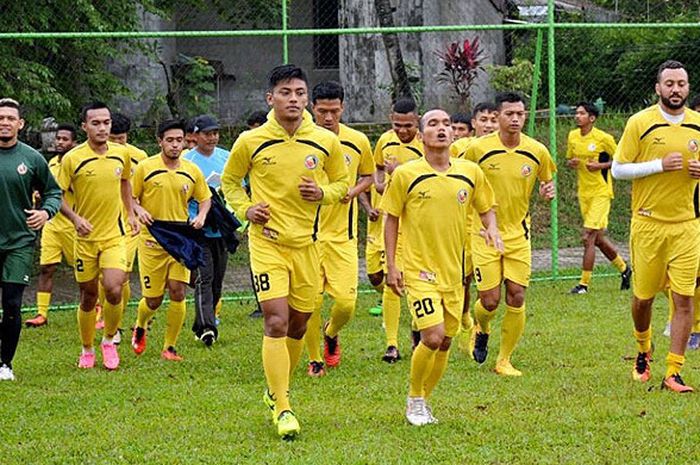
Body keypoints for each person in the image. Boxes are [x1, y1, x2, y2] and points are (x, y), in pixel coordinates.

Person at [222, 64, 348, 439]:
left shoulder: (325, 141)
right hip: (267, 245)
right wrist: (246, 210)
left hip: (309, 246)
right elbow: (230, 183)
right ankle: (283, 405)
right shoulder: (251, 141)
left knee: (299, 323)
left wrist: (323, 193)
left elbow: (342, 182)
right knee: (275, 320)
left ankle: (276, 387)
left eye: (298, 92)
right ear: (270, 98)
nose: (293, 99)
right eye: (285, 92)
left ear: (306, 98)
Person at [383, 108, 500, 425]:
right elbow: (391, 219)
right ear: (422, 135)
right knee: (431, 336)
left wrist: (491, 227)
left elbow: (486, 206)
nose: (442, 129)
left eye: (447, 124)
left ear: (454, 133)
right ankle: (415, 400)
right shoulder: (406, 174)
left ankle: (424, 400)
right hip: (419, 272)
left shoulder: (470, 172)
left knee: (446, 340)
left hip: (454, 274)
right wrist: (391, 265)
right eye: (433, 124)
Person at [611, 60, 700, 393]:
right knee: (643, 299)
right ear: (658, 88)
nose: (676, 89)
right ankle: (643, 349)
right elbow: (619, 170)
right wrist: (658, 165)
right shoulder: (640, 122)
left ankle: (674, 371)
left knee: (685, 299)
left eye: (681, 83)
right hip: (648, 224)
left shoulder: (697, 124)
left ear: (688, 87)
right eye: (669, 84)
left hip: (687, 226)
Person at [464, 92, 556, 376]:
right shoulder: (477, 149)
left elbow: (547, 181)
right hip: (484, 233)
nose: (515, 119)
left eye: (520, 114)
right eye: (509, 114)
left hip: (518, 233)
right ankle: (482, 327)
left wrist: (546, 191)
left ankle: (504, 360)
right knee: (489, 301)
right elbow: (462, 180)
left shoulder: (537, 150)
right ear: (498, 116)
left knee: (516, 295)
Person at [56, 101, 138, 370]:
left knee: (114, 288)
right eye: (96, 123)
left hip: (114, 236)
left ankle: (109, 340)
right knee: (89, 296)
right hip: (85, 240)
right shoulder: (72, 159)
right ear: (84, 126)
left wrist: (131, 212)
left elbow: (125, 182)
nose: (102, 128)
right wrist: (76, 218)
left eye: (106, 123)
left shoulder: (120, 154)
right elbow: (56, 196)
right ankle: (87, 348)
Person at [304, 81, 374, 377]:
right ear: (313, 109)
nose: (329, 117)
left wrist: (353, 191)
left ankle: (331, 333)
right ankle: (314, 359)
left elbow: (369, 176)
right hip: (308, 236)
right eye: (322, 111)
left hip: (343, 238)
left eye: (334, 111)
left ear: (343, 107)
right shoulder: (303, 141)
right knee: (311, 302)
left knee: (346, 303)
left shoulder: (357, 140)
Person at [130, 119, 211, 361]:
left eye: (180, 140)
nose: (175, 145)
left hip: (180, 239)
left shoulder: (191, 170)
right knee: (153, 299)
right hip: (152, 240)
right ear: (160, 142)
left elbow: (205, 198)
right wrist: (138, 210)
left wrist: (202, 216)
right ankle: (141, 324)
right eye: (170, 140)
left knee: (178, 291)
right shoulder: (145, 168)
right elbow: (131, 197)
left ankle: (170, 347)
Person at [0, 98, 62, 380]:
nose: (5, 122)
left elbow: (53, 192)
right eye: (1, 117)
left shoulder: (32, 158)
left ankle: (5, 364)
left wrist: (45, 213)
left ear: (20, 124)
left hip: (19, 243)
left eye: (11, 118)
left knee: (12, 303)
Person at [372, 97, 424, 363]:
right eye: (397, 125)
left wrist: (401, 170)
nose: (402, 131)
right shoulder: (385, 140)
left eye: (408, 125)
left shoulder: (426, 145)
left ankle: (417, 331)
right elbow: (377, 168)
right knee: (391, 281)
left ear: (417, 121)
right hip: (392, 221)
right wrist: (380, 183)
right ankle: (391, 344)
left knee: (417, 282)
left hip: (419, 224)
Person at [449, 101, 500, 355]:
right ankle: (464, 317)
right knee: (461, 279)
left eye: (493, 119)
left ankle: (478, 326)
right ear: (474, 124)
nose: (489, 124)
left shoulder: (508, 147)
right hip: (464, 224)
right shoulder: (460, 148)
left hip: (490, 227)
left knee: (487, 287)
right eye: (484, 119)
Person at [566, 102, 631, 294]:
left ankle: (583, 284)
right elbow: (570, 159)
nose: (577, 116)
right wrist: (574, 163)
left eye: (582, 113)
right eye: (576, 113)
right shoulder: (572, 136)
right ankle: (624, 269)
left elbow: (622, 160)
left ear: (592, 118)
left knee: (588, 237)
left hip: (601, 193)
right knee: (599, 240)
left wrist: (601, 166)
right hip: (583, 193)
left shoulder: (603, 138)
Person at [183, 114, 230, 346]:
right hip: (197, 226)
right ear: (195, 136)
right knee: (204, 277)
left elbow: (237, 187)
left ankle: (202, 321)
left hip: (222, 227)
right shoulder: (186, 160)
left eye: (215, 133)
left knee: (218, 280)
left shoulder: (226, 157)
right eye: (207, 133)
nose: (212, 138)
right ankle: (207, 328)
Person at [25, 124, 78, 327]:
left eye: (65, 139)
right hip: (52, 225)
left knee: (84, 272)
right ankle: (41, 313)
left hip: (73, 225)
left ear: (74, 143)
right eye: (58, 138)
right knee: (46, 267)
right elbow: (45, 187)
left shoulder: (77, 164)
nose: (60, 142)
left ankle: (96, 308)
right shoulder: (51, 164)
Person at [104, 113, 148, 341]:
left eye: (120, 139)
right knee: (106, 279)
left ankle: (116, 325)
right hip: (104, 222)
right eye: (112, 139)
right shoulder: (98, 156)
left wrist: (138, 211)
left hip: (130, 225)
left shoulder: (139, 157)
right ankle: (107, 316)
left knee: (122, 276)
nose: (116, 144)